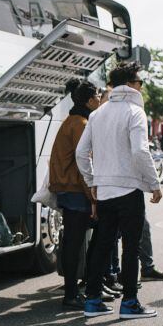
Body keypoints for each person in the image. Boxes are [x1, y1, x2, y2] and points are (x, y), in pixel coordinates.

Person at [76, 62, 162, 319]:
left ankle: (92, 301)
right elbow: (139, 150)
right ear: (132, 85)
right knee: (131, 247)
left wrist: (92, 181)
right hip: (128, 188)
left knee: (103, 244)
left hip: (104, 190)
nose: (141, 87)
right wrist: (154, 183)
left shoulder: (97, 114)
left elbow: (81, 153)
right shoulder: (135, 113)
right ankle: (130, 303)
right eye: (140, 82)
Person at [49, 80, 100, 308]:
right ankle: (71, 294)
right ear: (89, 101)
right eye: (98, 96)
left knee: (73, 241)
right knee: (74, 242)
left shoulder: (72, 120)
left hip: (68, 188)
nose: (100, 99)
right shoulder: (80, 124)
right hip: (75, 190)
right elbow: (83, 163)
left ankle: (76, 289)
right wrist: (92, 197)